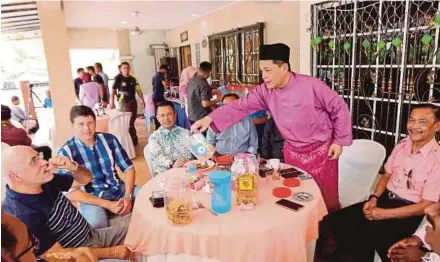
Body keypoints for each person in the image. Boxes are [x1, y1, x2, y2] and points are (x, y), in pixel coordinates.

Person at [190, 43, 352, 212]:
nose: (264, 76)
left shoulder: (312, 85)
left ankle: (328, 233)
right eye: (262, 71)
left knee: (323, 197)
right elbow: (240, 106)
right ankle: (303, 231)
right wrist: (209, 118)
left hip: (322, 152)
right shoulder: (265, 91)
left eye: (268, 70)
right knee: (297, 194)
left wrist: (339, 141)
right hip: (293, 152)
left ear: (284, 68)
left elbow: (339, 107)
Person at [314, 104, 440, 262]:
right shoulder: (402, 146)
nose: (414, 127)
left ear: (437, 126)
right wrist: (373, 198)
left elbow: (425, 206)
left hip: (408, 211)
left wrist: (383, 214)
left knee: (368, 233)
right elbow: (386, 175)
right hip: (385, 199)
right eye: (411, 121)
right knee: (331, 223)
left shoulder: (437, 160)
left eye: (422, 122)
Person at [1, 146, 128, 259]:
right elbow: (58, 255)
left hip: (92, 236)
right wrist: (113, 252)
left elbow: (86, 179)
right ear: (16, 177)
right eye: (33, 161)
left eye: (38, 156)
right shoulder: (23, 215)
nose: (45, 162)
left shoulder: (44, 180)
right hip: (79, 257)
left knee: (142, 232)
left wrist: (72, 167)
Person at [58, 105, 139, 229]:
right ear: (72, 126)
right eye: (81, 124)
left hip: (118, 189)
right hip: (92, 198)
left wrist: (127, 196)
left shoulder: (109, 139)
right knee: (97, 224)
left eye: (90, 123)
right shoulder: (66, 152)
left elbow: (129, 169)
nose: (87, 129)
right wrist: (108, 205)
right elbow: (69, 192)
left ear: (95, 123)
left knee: (148, 198)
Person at [147, 101, 193, 175]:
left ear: (175, 115)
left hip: (189, 172)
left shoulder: (185, 132)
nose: (166, 118)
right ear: (157, 118)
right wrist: (172, 163)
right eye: (162, 115)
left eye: (169, 114)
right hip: (167, 175)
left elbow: (196, 149)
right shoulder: (154, 138)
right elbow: (157, 156)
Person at [110, 62, 146, 145]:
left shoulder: (133, 79)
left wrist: (142, 100)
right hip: (124, 103)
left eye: (128, 68)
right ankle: (132, 139)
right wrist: (111, 103)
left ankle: (132, 137)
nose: (126, 70)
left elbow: (138, 90)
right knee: (128, 121)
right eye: (124, 68)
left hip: (133, 101)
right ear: (121, 69)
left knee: (132, 121)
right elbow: (113, 91)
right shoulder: (118, 78)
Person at [187, 61, 222, 126]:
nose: (209, 75)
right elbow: (205, 104)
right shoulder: (203, 84)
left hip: (191, 115)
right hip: (201, 117)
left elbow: (198, 94)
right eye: (210, 73)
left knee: (196, 135)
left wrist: (214, 91)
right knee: (203, 135)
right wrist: (218, 100)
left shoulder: (193, 79)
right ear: (209, 71)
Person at [152, 65, 169, 129]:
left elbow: (153, 87)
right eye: (166, 71)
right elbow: (165, 84)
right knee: (160, 111)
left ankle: (157, 125)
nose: (165, 72)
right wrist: (166, 81)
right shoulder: (160, 75)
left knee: (157, 111)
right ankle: (159, 125)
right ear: (163, 69)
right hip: (158, 96)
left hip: (155, 96)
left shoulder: (154, 76)